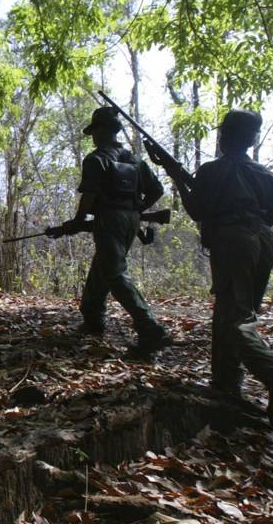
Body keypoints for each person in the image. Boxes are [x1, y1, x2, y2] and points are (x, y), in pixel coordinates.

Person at [143, 109, 273, 428]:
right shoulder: (265, 175)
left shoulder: (213, 171)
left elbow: (198, 209)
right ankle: (227, 383)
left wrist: (176, 177)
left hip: (234, 240)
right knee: (231, 311)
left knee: (236, 318)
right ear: (251, 139)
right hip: (263, 240)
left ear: (225, 136)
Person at [49, 106, 171, 358]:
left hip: (110, 220)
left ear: (103, 131)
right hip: (131, 220)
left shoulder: (96, 160)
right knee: (105, 265)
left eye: (95, 131)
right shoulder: (134, 160)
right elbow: (157, 189)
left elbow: (90, 196)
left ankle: (149, 327)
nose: (93, 136)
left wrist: (77, 221)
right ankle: (93, 316)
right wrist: (137, 210)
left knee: (114, 272)